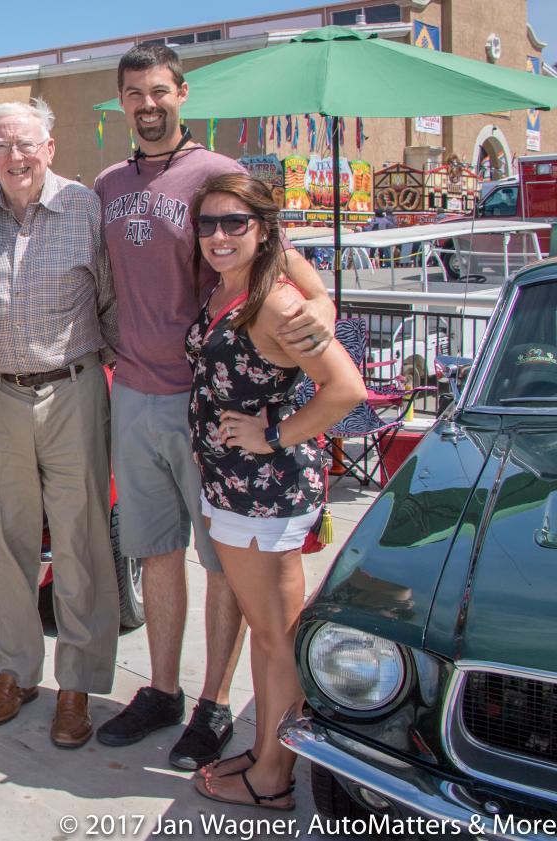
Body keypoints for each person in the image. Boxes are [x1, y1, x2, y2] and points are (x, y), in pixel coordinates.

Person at [93, 43, 337, 771]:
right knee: (156, 550)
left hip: (206, 404)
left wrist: (320, 313)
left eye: (159, 90)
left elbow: (294, 271)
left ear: (182, 93)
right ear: (124, 101)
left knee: (223, 564)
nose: (148, 104)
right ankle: (163, 690)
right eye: (134, 93)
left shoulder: (219, 182)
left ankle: (214, 704)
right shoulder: (107, 184)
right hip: (132, 395)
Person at [186, 173, 364, 809]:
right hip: (233, 489)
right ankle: (265, 754)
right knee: (268, 632)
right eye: (208, 224)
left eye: (236, 223)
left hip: (267, 492)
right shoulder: (232, 290)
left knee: (277, 635)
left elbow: (345, 391)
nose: (219, 235)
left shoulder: (276, 303)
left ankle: (273, 778)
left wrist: (275, 434)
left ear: (263, 230)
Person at [0, 98, 119, 748]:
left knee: (83, 537)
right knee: (5, 540)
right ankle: (13, 672)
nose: (16, 156)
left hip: (72, 390)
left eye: (27, 144)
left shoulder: (86, 208)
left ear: (50, 148)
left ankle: (78, 684)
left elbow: (112, 301)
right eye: (2, 145)